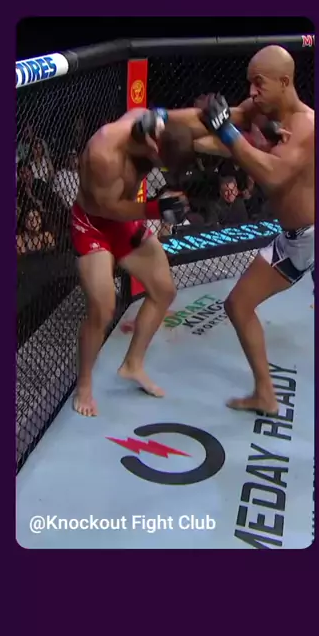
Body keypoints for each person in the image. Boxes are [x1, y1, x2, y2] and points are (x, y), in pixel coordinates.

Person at [165, 45, 314, 415]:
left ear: (285, 81)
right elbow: (211, 118)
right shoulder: (257, 111)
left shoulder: (306, 125)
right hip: (297, 238)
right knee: (238, 304)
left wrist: (228, 135)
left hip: (315, 235)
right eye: (249, 83)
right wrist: (159, 118)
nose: (251, 92)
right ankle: (265, 394)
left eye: (259, 83)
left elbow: (273, 176)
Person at [70, 108, 195, 417]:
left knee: (163, 291)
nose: (158, 169)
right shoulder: (104, 152)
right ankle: (84, 383)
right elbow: (108, 208)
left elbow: (197, 121)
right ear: (153, 144)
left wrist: (232, 121)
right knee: (103, 308)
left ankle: (132, 364)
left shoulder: (158, 128)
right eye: (159, 161)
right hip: (94, 224)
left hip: (124, 220)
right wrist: (155, 210)